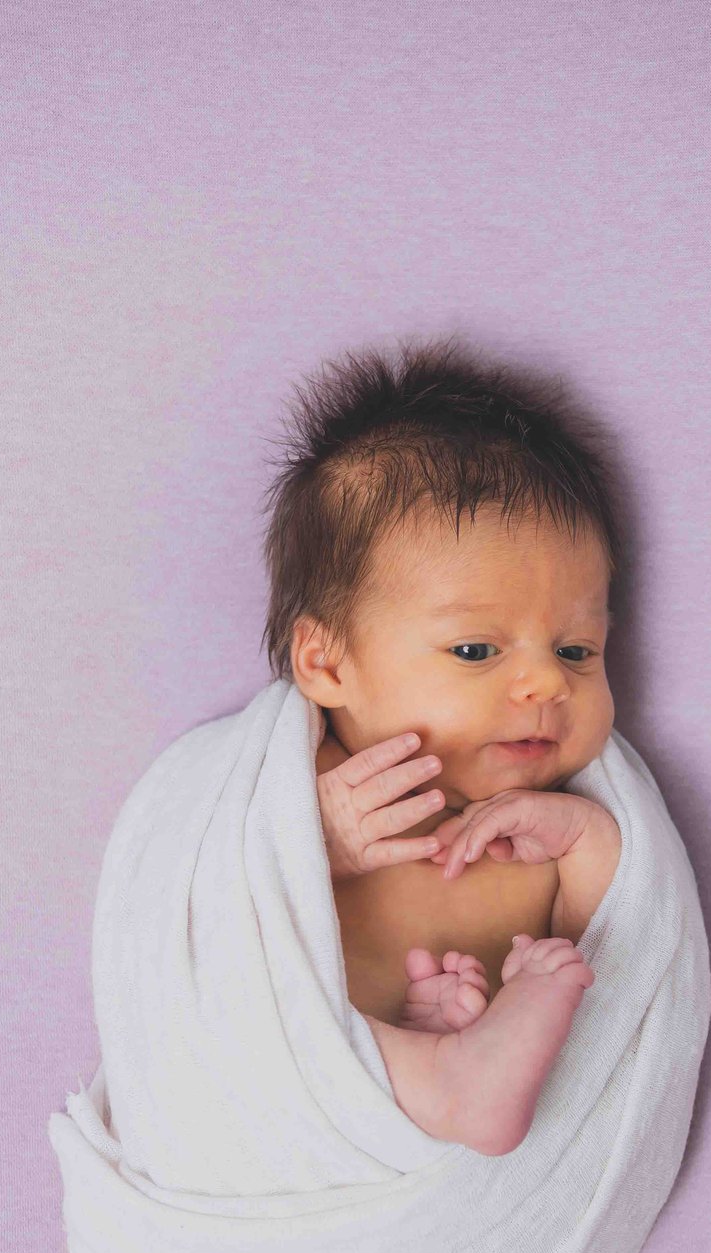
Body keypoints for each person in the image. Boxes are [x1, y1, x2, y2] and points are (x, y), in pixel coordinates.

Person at [264, 338, 627, 1159]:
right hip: (323, 1095)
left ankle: (450, 1058)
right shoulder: (304, 785)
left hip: (471, 1093)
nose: (546, 685)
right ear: (326, 664)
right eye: (475, 651)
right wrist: (306, 843)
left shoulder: (555, 825)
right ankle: (430, 1070)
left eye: (577, 651)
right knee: (260, 1004)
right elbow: (210, 909)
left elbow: (621, 943)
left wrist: (588, 840)